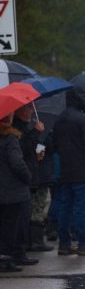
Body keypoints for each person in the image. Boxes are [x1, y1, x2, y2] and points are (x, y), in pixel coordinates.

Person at [51, 87, 85, 256]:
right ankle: (84, 243)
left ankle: (64, 243)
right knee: (82, 208)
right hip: (83, 171)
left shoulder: (59, 119)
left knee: (65, 207)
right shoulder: (83, 119)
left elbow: (54, 145)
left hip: (66, 170)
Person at [12, 104, 52, 253]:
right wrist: (36, 132)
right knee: (34, 209)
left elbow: (35, 148)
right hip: (28, 176)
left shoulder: (28, 126)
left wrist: (41, 140)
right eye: (27, 108)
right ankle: (32, 242)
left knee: (35, 207)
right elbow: (23, 148)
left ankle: (31, 241)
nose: (30, 111)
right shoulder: (17, 129)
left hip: (36, 172)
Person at [0, 113, 33, 271]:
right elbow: (17, 163)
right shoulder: (10, 138)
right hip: (12, 190)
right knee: (11, 226)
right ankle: (6, 259)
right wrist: (28, 176)